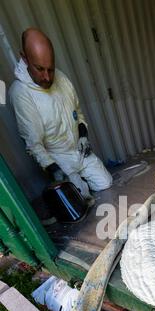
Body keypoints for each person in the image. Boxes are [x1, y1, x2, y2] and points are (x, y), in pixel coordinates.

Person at [9, 28, 112, 208]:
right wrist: (55, 171)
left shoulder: (61, 78)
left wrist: (83, 136)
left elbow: (77, 113)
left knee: (106, 183)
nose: (47, 77)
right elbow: (34, 144)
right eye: (40, 69)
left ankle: (82, 184)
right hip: (59, 158)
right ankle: (77, 188)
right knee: (81, 203)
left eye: (50, 68)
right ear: (24, 58)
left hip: (78, 150)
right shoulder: (21, 93)